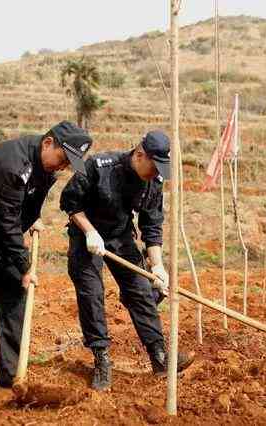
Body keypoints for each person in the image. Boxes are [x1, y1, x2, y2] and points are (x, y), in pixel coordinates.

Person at [0, 121, 92, 403]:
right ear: (48, 144)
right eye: (63, 158)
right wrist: (25, 266)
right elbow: (7, 223)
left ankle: (11, 374)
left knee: (13, 297)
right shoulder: (11, 163)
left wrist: (32, 219)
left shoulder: (46, 168)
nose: (63, 167)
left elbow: (25, 208)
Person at [59, 130, 194, 391]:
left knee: (141, 291)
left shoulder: (154, 181)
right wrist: (89, 231)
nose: (156, 175)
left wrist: (157, 266)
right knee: (92, 294)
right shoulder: (100, 167)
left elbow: (151, 224)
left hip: (120, 236)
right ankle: (102, 360)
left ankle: (159, 357)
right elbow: (70, 202)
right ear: (139, 154)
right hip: (86, 235)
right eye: (154, 168)